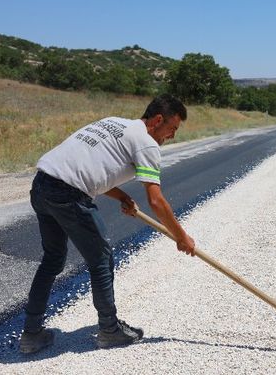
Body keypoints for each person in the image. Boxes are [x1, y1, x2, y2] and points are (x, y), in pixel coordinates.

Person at [19, 94, 196, 354]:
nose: (172, 135)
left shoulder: (114, 123)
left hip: (42, 184)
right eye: (172, 128)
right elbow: (156, 200)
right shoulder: (147, 144)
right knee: (101, 260)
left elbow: (92, 168)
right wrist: (181, 236)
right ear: (158, 120)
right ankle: (110, 330)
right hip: (69, 195)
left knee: (53, 259)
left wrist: (122, 196)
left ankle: (31, 335)